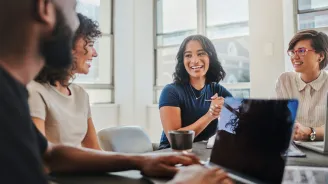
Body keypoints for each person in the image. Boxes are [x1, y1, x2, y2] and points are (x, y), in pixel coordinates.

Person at [0, 0, 232, 183]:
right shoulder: (18, 97)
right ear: (45, 8)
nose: (95, 53)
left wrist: (139, 162)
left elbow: (50, 154)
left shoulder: (13, 93)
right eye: (72, 8)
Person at [28, 13, 101, 149]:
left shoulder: (80, 94)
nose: (95, 53)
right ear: (68, 46)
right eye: (90, 44)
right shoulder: (35, 92)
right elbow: (42, 155)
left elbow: (95, 149)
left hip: (80, 170)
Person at [159, 34, 232, 149]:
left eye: (201, 53)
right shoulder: (170, 92)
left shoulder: (216, 89)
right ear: (182, 61)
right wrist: (210, 115)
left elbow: (242, 118)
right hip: (172, 154)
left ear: (210, 57)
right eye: (188, 55)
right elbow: (176, 141)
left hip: (202, 152)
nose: (195, 61)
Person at [275, 30, 328, 141]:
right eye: (293, 52)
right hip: (292, 148)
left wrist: (309, 132)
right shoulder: (285, 81)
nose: (295, 57)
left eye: (302, 51)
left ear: (321, 56)